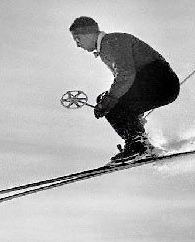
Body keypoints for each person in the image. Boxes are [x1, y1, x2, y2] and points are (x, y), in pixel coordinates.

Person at [69, 16, 180, 163]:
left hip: (159, 81)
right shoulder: (109, 46)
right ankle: (140, 144)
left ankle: (138, 146)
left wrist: (110, 100)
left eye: (77, 39)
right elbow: (127, 82)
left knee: (109, 101)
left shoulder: (111, 42)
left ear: (87, 34)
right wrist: (131, 114)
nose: (78, 45)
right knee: (110, 101)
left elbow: (126, 74)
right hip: (162, 85)